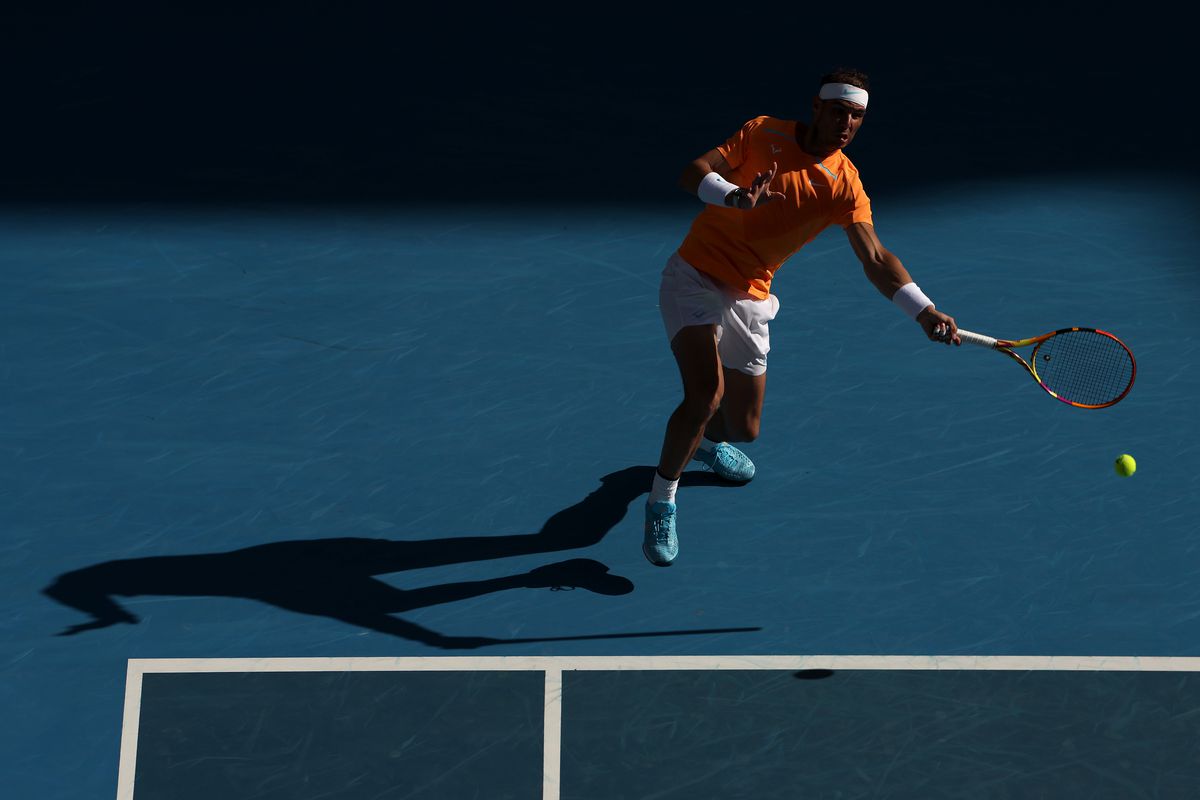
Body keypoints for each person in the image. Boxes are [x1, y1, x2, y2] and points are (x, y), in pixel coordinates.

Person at [644, 68, 961, 567]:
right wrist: (733, 195)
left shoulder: (844, 185)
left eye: (857, 116)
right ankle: (662, 499)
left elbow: (875, 258)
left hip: (751, 293)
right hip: (696, 275)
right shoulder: (763, 131)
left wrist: (922, 310)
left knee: (743, 427)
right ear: (817, 107)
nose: (847, 124)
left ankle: (701, 442)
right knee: (706, 393)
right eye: (839, 111)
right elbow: (693, 171)